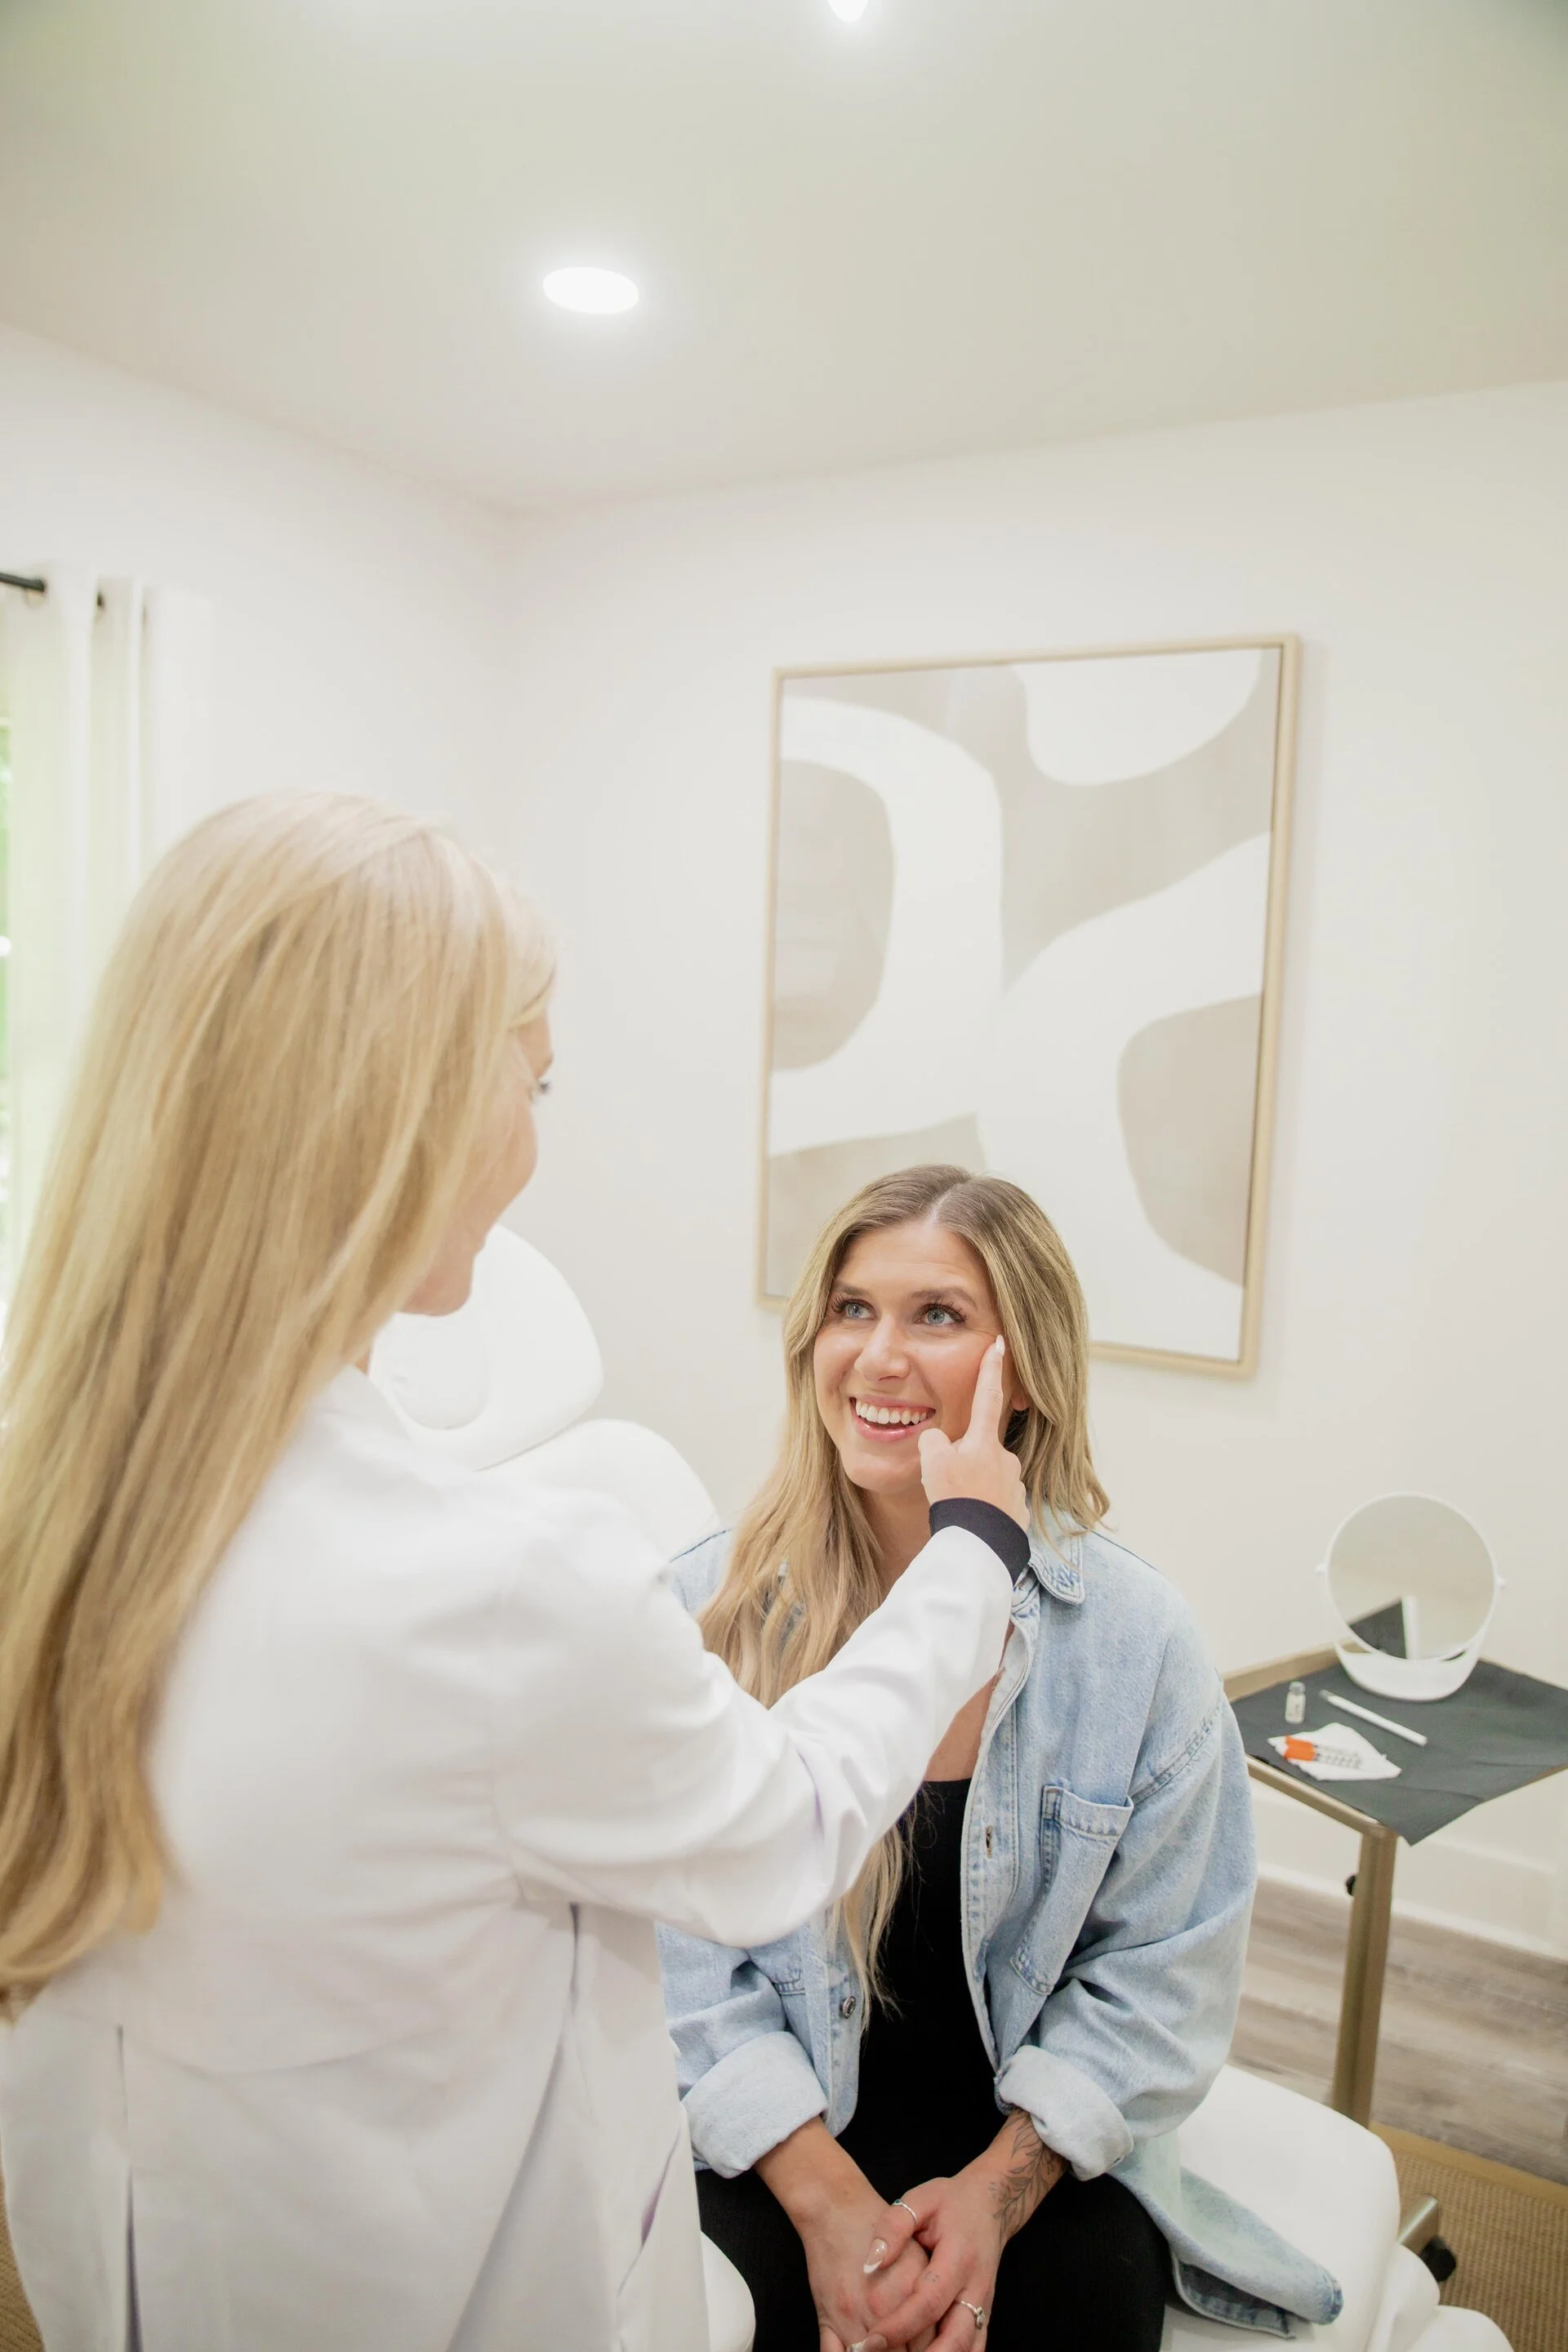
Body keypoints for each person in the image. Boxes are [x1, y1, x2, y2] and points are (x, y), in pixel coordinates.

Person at [0, 798, 1034, 2352]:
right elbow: (785, 1829)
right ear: (405, 1116)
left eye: (940, 1318)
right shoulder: (498, 1589)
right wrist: (975, 1561)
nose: (534, 1147)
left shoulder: (59, 1500)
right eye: (532, 1083)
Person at [659, 1165, 1343, 2352]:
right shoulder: (705, 1610)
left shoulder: (1136, 1643)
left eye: (937, 1315)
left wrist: (996, 2192)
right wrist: (824, 2203)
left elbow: (1164, 1978)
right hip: (777, 2134)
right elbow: (669, 1959)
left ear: (1020, 1366)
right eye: (851, 1309)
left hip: (1029, 2144)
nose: (878, 1358)